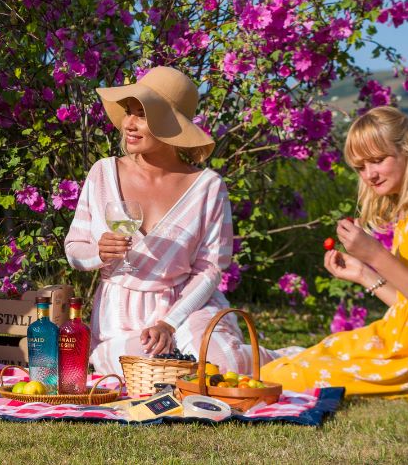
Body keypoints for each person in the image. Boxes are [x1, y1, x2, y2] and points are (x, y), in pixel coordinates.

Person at [262, 107, 408, 400]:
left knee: (277, 377)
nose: (369, 175)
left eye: (378, 160)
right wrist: (364, 274)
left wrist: (376, 254)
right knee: (305, 358)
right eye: (361, 167)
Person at [65, 66, 275, 376]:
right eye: (129, 112)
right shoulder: (103, 173)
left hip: (188, 309)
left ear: (172, 125)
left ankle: (281, 359)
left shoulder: (207, 187)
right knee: (147, 371)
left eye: (143, 115)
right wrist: (99, 253)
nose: (129, 125)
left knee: (222, 368)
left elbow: (210, 269)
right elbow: (74, 249)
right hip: (122, 314)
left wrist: (169, 323)